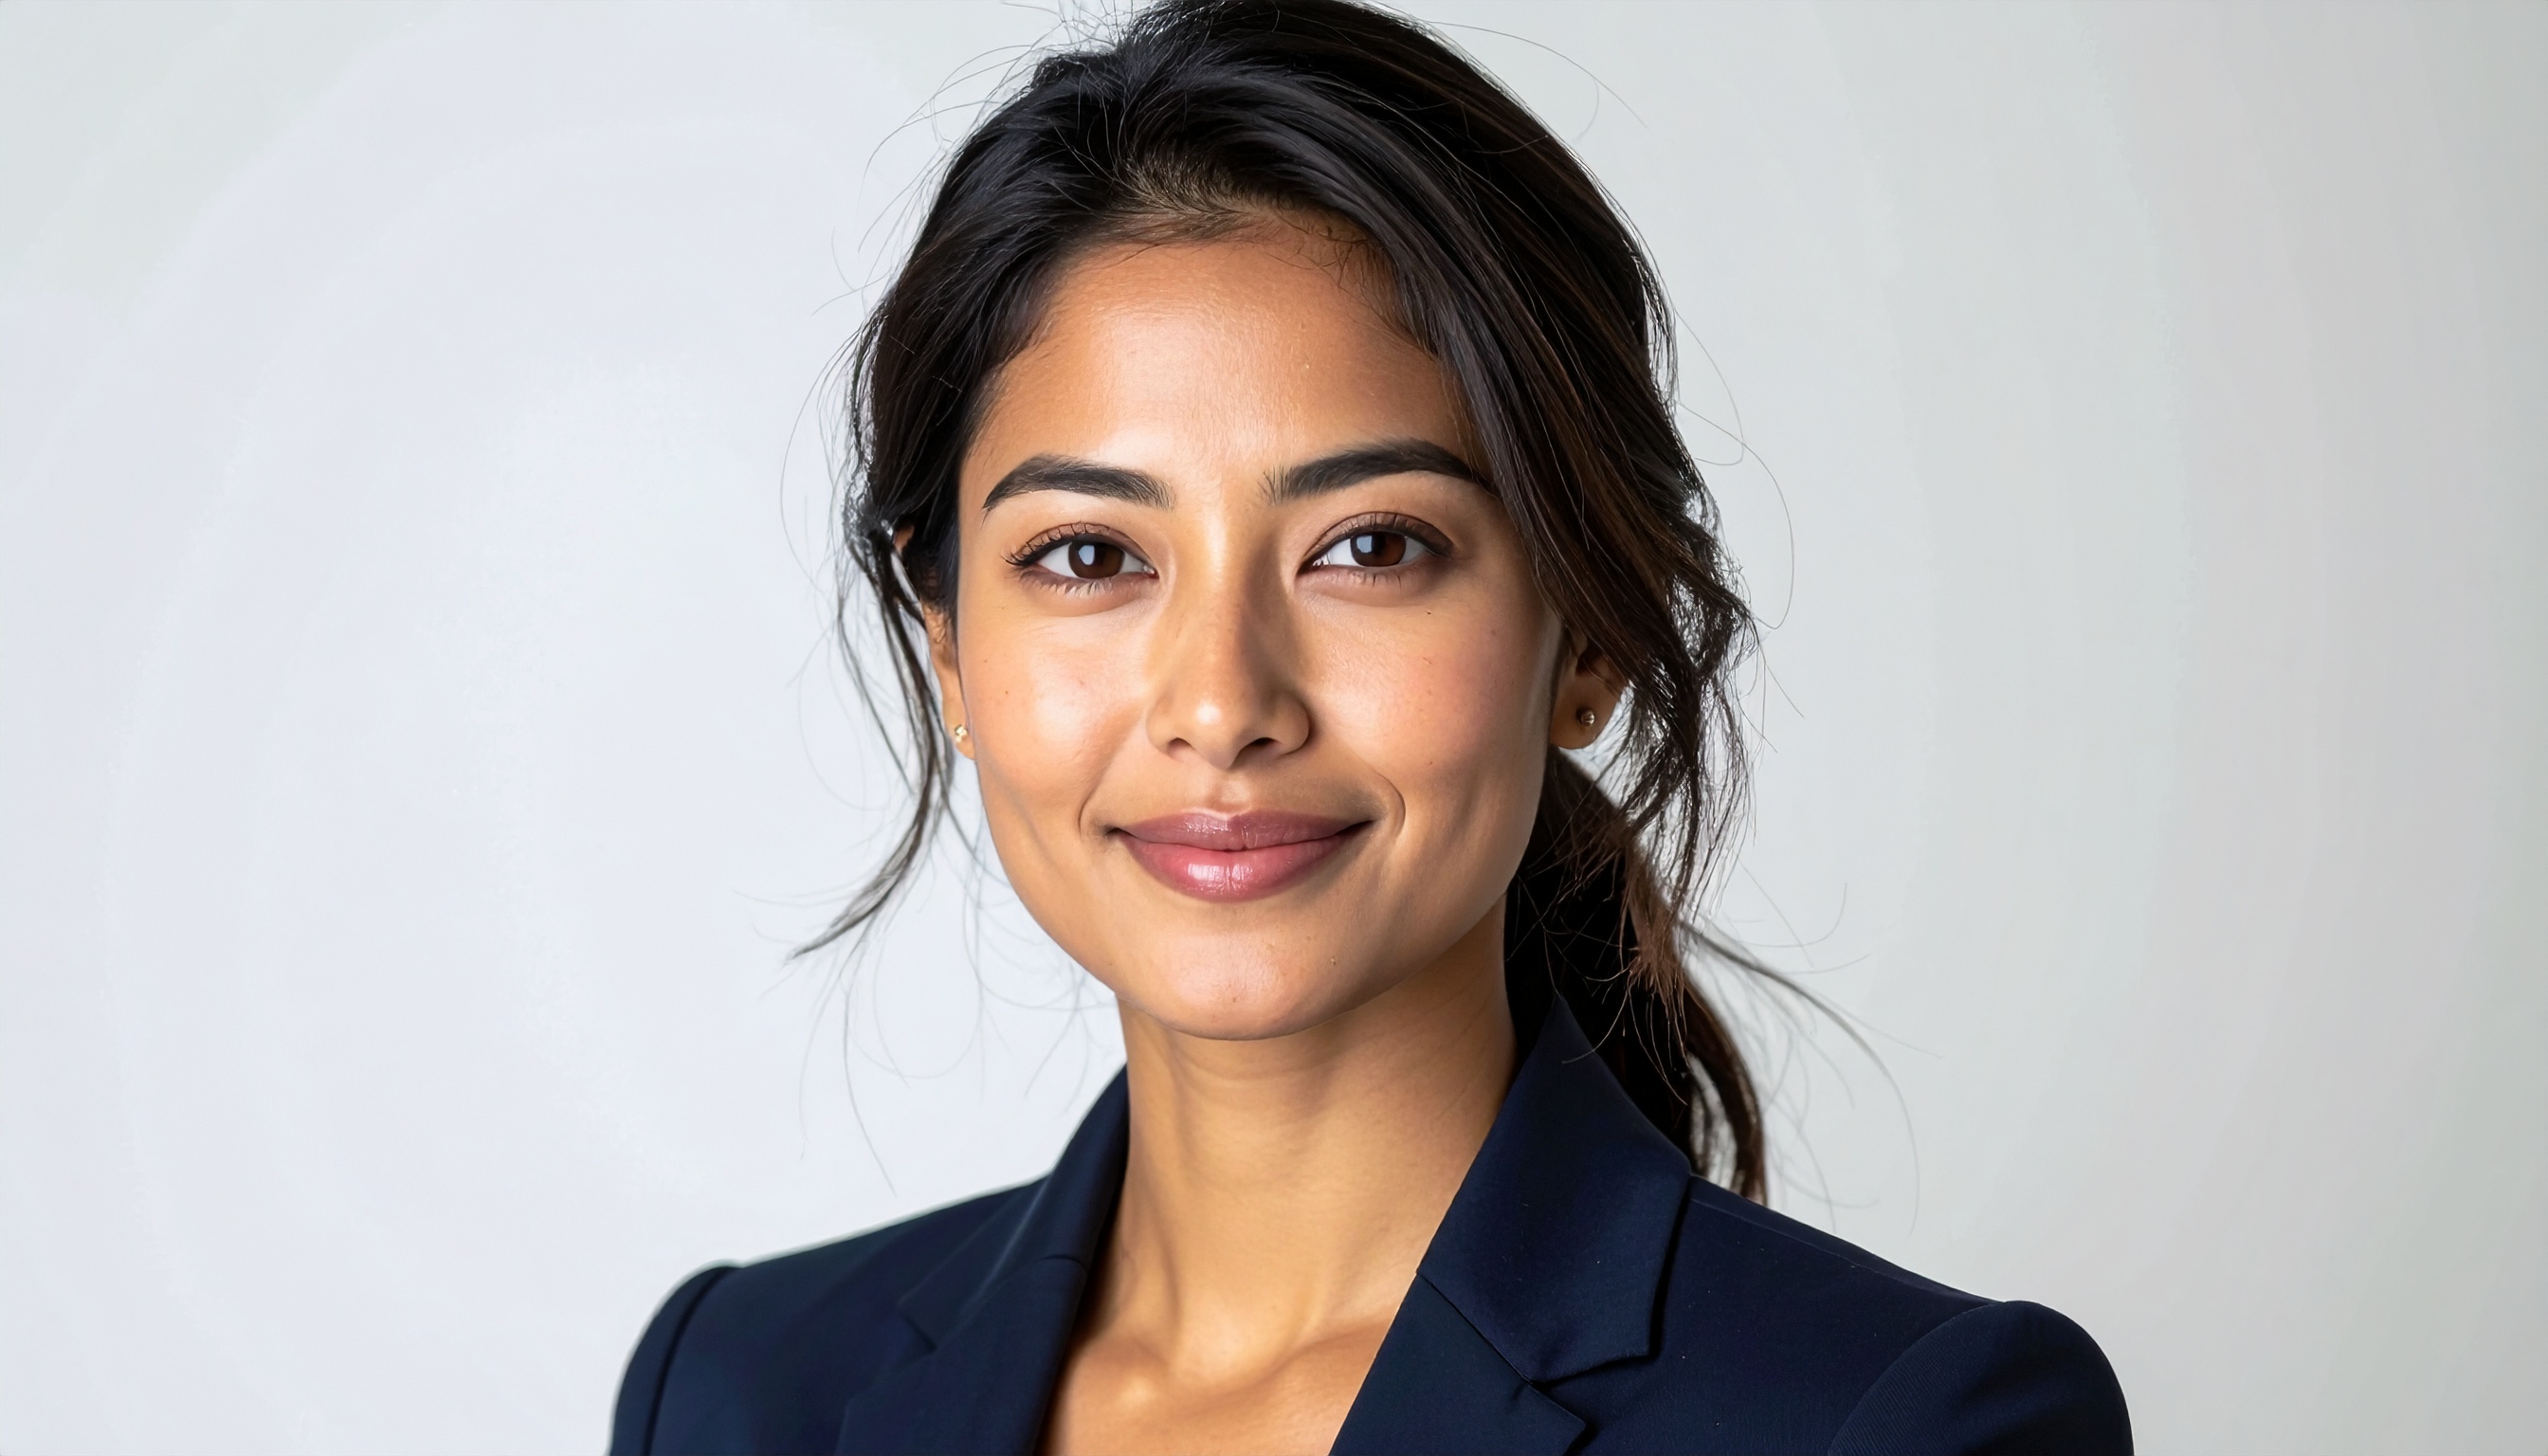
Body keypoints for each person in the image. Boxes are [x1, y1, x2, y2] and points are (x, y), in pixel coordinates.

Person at [610, 2, 2130, 1451]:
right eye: (1089, 556)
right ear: (947, 648)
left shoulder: (1897, 1424)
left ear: (1588, 629)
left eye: (1370, 546)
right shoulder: (741, 1395)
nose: (1222, 704)